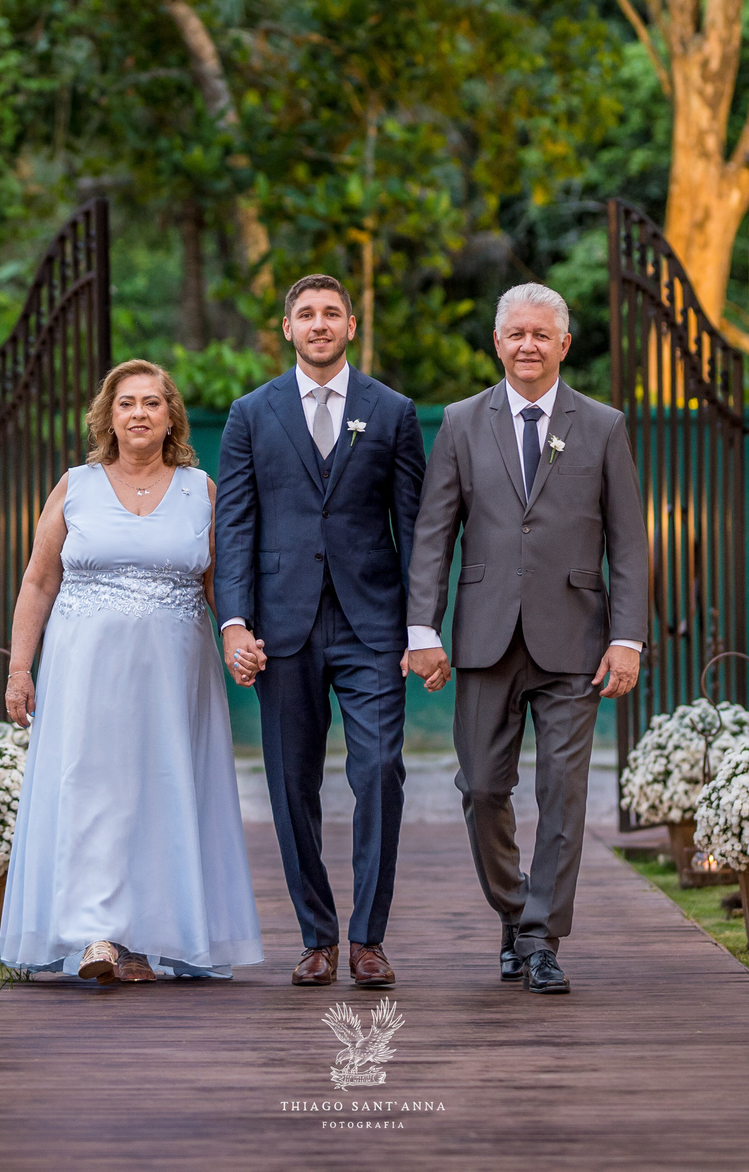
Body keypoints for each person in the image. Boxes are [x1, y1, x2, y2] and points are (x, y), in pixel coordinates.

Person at [404, 282, 648, 995]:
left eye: (543, 333)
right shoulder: (458, 421)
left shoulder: (603, 425)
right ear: (498, 342)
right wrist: (424, 627)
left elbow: (629, 546)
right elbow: (432, 534)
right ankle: (514, 912)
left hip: (575, 640)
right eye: (516, 332)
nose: (529, 345)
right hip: (482, 638)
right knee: (481, 787)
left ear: (564, 344)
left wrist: (626, 637)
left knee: (563, 792)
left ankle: (542, 935)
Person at [0, 359, 262, 983]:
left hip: (176, 678)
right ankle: (97, 934)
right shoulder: (75, 485)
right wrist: (19, 670)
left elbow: (220, 581)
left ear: (170, 416)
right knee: (94, 791)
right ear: (108, 418)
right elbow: (38, 582)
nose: (138, 413)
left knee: (163, 789)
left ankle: (147, 939)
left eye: (151, 402)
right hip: (84, 674)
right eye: (126, 403)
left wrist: (238, 640)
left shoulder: (202, 490)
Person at [214, 275, 426, 990]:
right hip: (283, 624)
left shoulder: (392, 412)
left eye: (331, 312)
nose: (319, 323)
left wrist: (420, 624)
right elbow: (236, 524)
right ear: (286, 328)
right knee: (290, 782)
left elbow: (417, 530)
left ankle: (368, 937)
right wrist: (236, 620)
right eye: (306, 313)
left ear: (352, 325)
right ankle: (316, 936)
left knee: (378, 772)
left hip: (372, 623)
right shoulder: (250, 414)